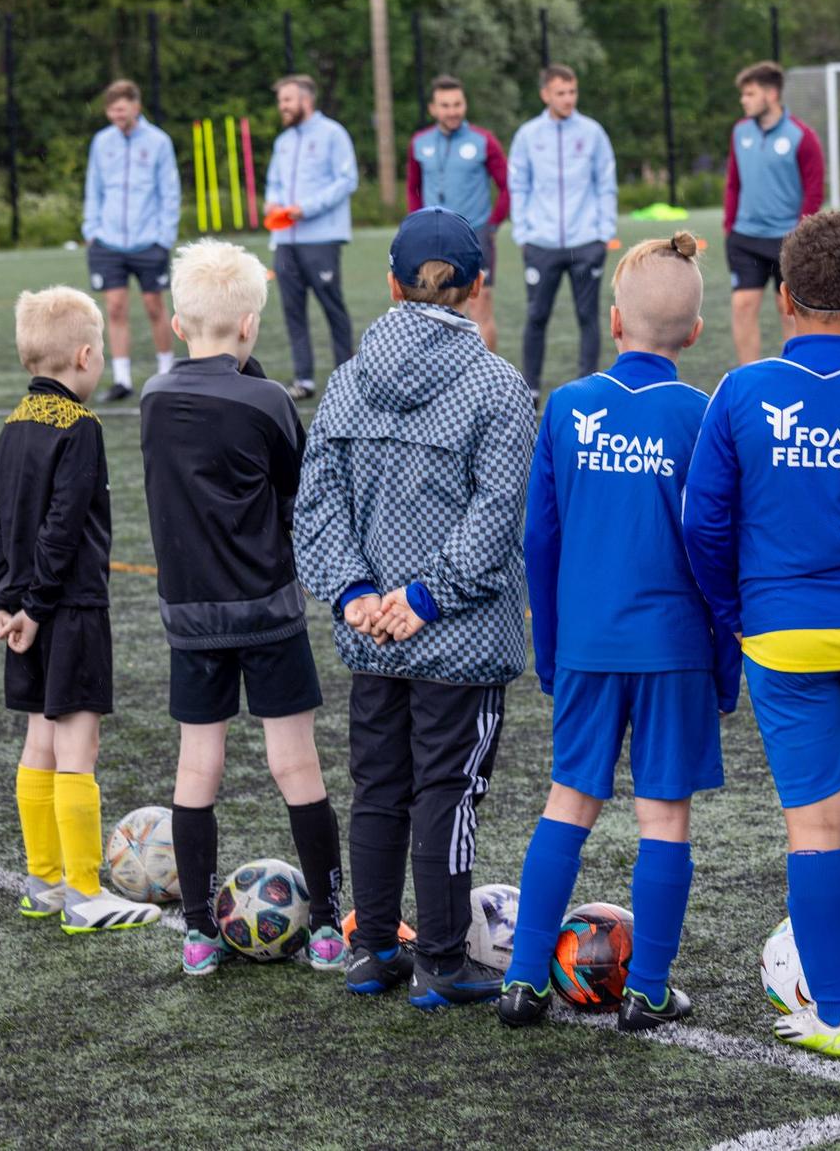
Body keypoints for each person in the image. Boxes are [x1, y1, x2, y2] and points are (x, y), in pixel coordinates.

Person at [683, 211, 840, 1061]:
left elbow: (703, 525)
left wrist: (737, 611)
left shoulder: (741, 390)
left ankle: (834, 1014)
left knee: (816, 827)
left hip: (779, 635)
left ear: (784, 298)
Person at [293, 207, 535, 1010]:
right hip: (458, 639)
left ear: (393, 285)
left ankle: (372, 948)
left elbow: (316, 504)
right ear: (476, 287)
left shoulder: (348, 379)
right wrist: (426, 596)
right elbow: (498, 514)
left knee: (378, 786)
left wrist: (356, 593)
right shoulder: (497, 385)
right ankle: (439, 958)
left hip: (374, 635)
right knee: (447, 792)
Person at [498, 234, 740, 1031]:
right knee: (663, 815)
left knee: (567, 801)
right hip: (676, 649)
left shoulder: (568, 406)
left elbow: (539, 540)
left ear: (612, 320)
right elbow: (720, 548)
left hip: (589, 647)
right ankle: (650, 990)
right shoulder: (703, 415)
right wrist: (726, 664)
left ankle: (523, 981)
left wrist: (552, 650)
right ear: (696, 331)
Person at [139, 239, 347, 977]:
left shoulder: (152, 398)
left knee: (198, 767)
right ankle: (328, 926)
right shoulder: (268, 399)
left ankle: (198, 933)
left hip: (191, 614)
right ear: (251, 324)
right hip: (267, 609)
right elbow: (297, 492)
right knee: (296, 762)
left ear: (177, 324)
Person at [0, 286, 161, 933]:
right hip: (71, 606)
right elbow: (62, 528)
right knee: (78, 745)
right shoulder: (81, 426)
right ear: (86, 357)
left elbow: (2, 524)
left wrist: (4, 602)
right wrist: (37, 605)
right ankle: (86, 893)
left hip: (26, 612)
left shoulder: (11, 427)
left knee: (40, 738)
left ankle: (45, 882)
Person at [508, 63, 617, 403]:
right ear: (545, 95)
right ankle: (531, 389)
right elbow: (518, 186)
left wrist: (603, 233)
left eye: (572, 92)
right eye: (561, 93)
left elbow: (606, 184)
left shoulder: (593, 133)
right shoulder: (527, 136)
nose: (568, 99)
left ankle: (587, 389)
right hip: (541, 244)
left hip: (586, 242)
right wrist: (524, 233)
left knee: (588, 317)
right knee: (536, 316)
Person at [82, 79, 181, 402]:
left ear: (136, 107)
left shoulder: (158, 142)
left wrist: (164, 237)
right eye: (111, 110)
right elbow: (94, 187)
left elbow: (169, 191)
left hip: (149, 241)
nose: (116, 116)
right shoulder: (101, 142)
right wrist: (91, 230)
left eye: (122, 109)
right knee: (114, 308)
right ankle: (122, 379)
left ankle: (166, 373)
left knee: (154, 306)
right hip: (108, 242)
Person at [264, 74, 358, 401]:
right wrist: (272, 202)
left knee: (333, 308)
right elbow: (274, 182)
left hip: (321, 238)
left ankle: (348, 377)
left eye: (287, 100)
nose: (283, 106)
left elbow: (347, 180)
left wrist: (307, 209)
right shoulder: (283, 142)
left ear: (306, 100)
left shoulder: (333, 134)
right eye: (281, 101)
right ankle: (303, 379)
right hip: (285, 240)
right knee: (293, 310)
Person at [724, 61, 824, 366]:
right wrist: (730, 226)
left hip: (787, 240)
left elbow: (814, 190)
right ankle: (748, 377)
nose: (743, 100)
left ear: (771, 94)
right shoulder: (740, 132)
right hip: (745, 237)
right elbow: (733, 183)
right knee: (742, 305)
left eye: (750, 94)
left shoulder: (801, 136)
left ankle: (793, 375)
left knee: (788, 310)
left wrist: (799, 234)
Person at [406, 74, 509, 350]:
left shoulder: (483, 140)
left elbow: (507, 186)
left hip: (475, 234)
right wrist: (417, 223)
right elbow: (413, 188)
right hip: (434, 238)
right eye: (445, 105)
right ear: (433, 109)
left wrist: (493, 224)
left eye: (457, 104)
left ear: (465, 105)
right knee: (434, 309)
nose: (452, 111)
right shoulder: (419, 143)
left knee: (480, 307)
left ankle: (486, 372)